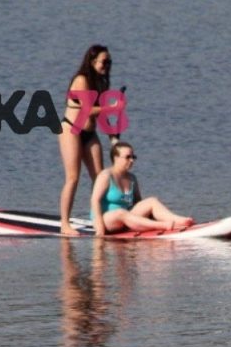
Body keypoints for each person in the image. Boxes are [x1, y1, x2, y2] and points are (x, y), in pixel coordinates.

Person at [59, 44, 122, 236]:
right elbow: (87, 110)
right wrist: (113, 108)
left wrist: (113, 139)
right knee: (73, 177)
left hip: (90, 133)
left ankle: (101, 218)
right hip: (72, 129)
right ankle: (64, 224)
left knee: (101, 178)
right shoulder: (82, 80)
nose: (107, 65)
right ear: (93, 61)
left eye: (110, 62)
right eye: (104, 61)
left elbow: (101, 116)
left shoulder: (102, 83)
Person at [90, 142, 194, 236]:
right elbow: (95, 201)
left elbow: (138, 203)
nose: (131, 160)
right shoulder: (106, 175)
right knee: (120, 212)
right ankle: (162, 225)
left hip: (126, 219)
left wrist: (148, 215)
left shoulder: (132, 178)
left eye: (133, 157)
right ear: (116, 158)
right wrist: (100, 230)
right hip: (105, 220)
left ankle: (178, 220)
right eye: (127, 157)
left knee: (152, 201)